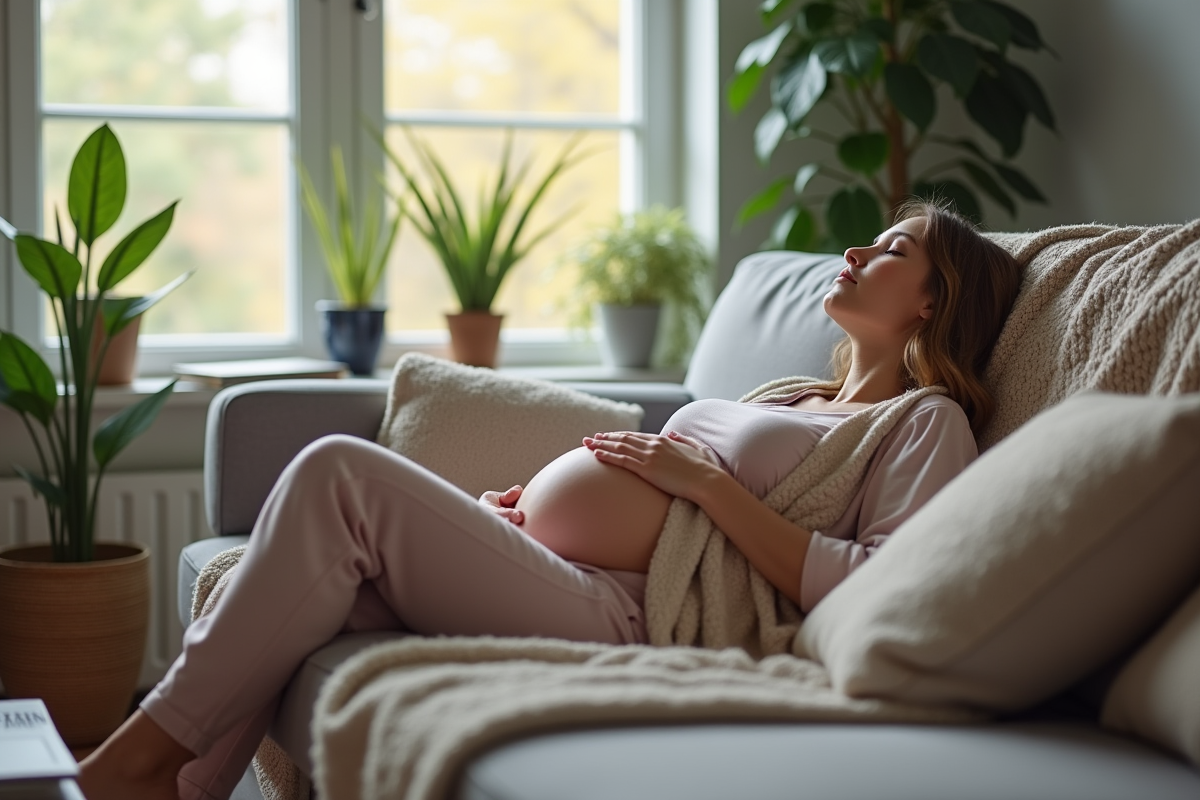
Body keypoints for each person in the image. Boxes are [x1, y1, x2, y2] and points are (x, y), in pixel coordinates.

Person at [77, 199, 1023, 800]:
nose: (856, 248)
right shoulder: (796, 400)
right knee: (314, 602)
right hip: (567, 567)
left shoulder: (924, 423)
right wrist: (531, 505)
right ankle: (178, 783)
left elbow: (880, 586)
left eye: (892, 247)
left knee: (338, 473)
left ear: (934, 302)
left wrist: (699, 487)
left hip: (639, 615)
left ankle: (130, 762)